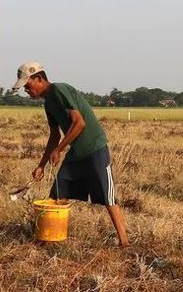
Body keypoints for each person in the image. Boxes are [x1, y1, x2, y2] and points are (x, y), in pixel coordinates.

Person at [12, 61, 128, 246]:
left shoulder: (59, 90)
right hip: (76, 152)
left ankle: (125, 243)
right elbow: (54, 135)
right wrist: (41, 165)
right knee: (57, 192)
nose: (26, 90)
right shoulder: (48, 104)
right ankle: (50, 237)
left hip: (94, 148)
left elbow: (79, 123)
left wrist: (59, 149)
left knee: (108, 196)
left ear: (39, 78)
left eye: (27, 85)